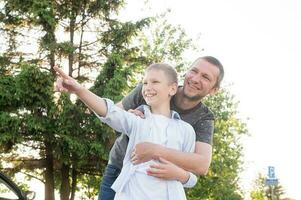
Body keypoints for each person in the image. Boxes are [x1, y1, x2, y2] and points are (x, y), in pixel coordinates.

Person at [54, 63, 198, 200]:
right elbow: (109, 112)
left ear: (172, 89)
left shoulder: (186, 131)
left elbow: (191, 178)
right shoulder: (137, 120)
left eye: (155, 82)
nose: (147, 87)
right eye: (145, 83)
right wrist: (79, 90)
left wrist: (180, 174)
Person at [99, 56, 224, 200]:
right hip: (119, 169)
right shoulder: (152, 87)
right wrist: (127, 114)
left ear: (214, 90)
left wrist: (155, 151)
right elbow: (113, 113)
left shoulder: (204, 117)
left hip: (158, 182)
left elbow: (201, 164)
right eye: (194, 71)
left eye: (205, 77)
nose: (195, 79)